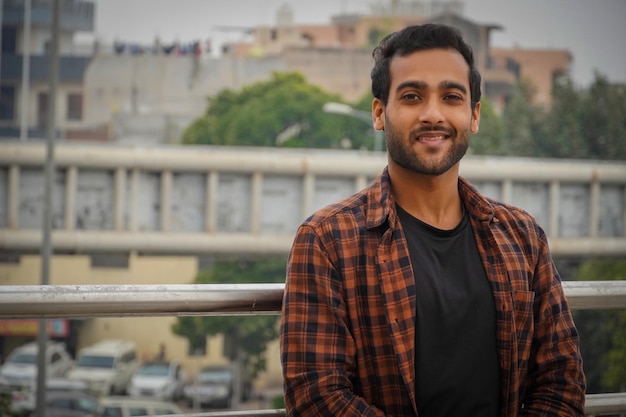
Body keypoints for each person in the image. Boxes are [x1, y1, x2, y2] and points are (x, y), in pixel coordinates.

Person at [279, 23, 586, 416]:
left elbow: (562, 382)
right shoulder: (327, 240)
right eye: (411, 96)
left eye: (451, 97)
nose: (432, 114)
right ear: (379, 113)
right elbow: (317, 398)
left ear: (474, 115)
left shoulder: (522, 238)